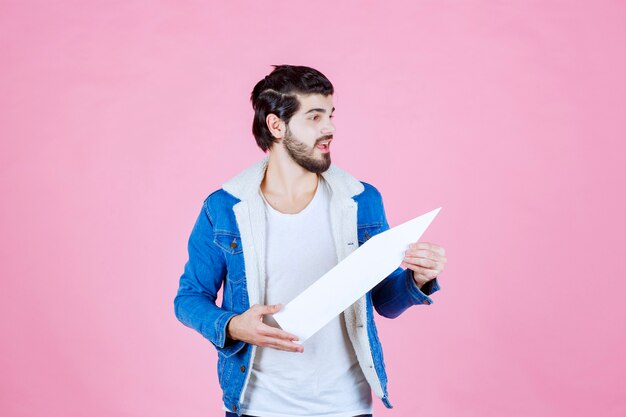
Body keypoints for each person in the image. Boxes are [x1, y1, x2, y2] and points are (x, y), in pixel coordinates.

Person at [173, 65, 447, 417]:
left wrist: (417, 279)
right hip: (257, 407)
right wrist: (233, 326)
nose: (330, 128)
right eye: (315, 117)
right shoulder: (224, 208)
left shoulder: (361, 201)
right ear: (277, 125)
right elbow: (189, 298)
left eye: (331, 115)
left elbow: (385, 302)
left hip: (347, 407)